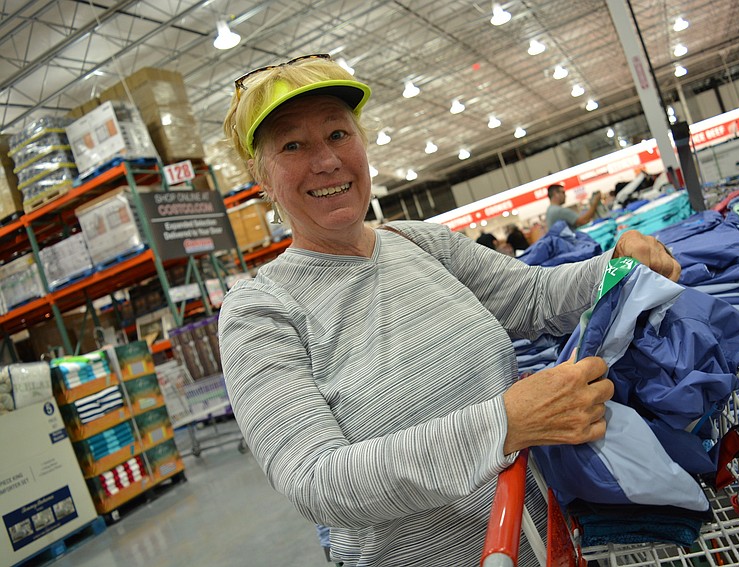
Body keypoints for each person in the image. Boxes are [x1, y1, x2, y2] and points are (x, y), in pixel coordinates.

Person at [219, 54, 681, 566]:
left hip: (540, 542)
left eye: (337, 134)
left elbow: (536, 298)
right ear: (260, 175)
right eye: (292, 145)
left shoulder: (419, 243)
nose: (326, 161)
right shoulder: (260, 310)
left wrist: (615, 265)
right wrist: (503, 424)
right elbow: (317, 479)